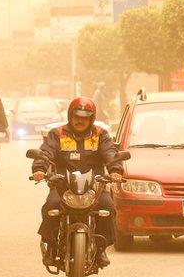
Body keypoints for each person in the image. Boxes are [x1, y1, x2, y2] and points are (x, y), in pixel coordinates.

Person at [31, 97, 123, 268]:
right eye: (76, 116)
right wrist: (39, 169)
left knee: (107, 207)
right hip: (63, 185)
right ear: (70, 116)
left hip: (94, 185)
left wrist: (115, 170)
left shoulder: (100, 134)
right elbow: (46, 152)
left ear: (91, 118)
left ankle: (101, 247)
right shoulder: (57, 134)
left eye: (85, 117)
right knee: (51, 206)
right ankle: (51, 246)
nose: (80, 120)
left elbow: (110, 153)